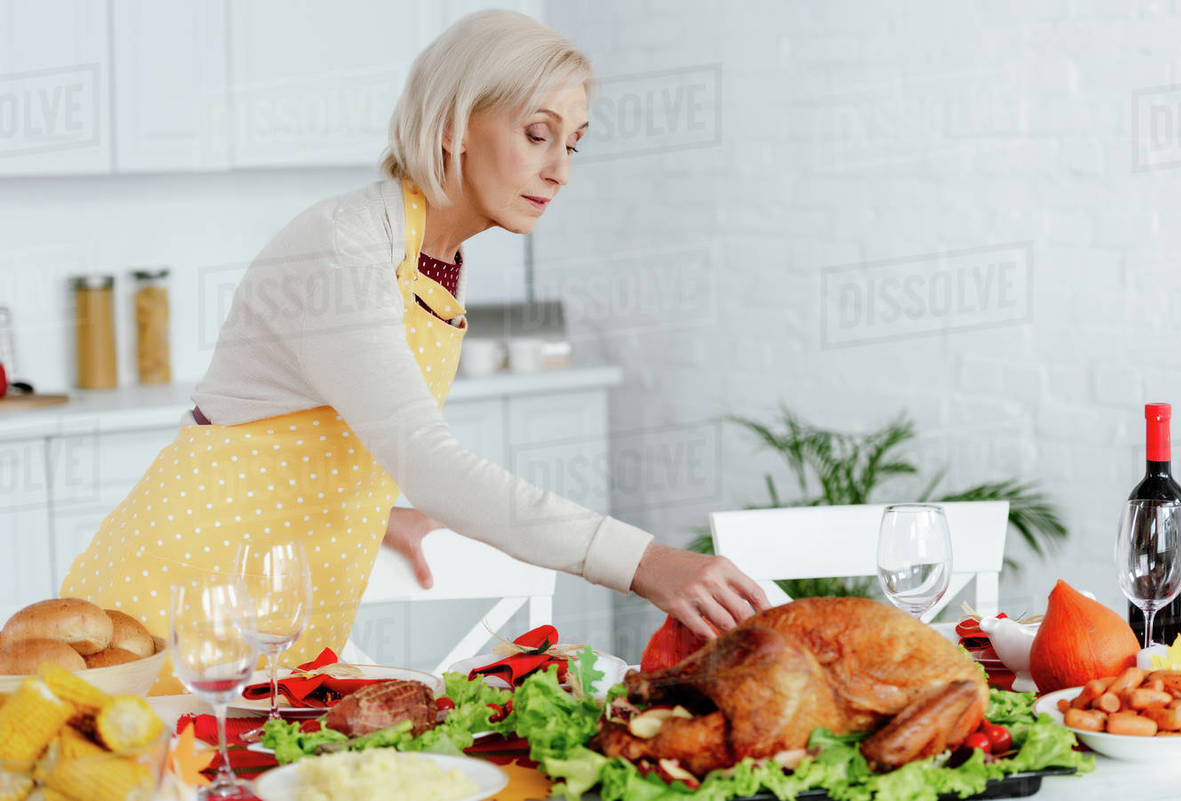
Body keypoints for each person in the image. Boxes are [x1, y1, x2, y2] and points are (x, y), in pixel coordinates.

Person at [61, 9, 766, 692]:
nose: (561, 171)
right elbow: (427, 459)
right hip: (175, 609)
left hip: (272, 615)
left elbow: (321, 419)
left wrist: (366, 504)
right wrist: (644, 560)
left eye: (572, 142)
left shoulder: (432, 249)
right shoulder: (346, 246)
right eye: (537, 134)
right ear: (456, 124)